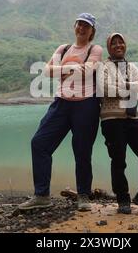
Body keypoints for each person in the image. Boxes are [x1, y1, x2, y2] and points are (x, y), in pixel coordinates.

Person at [19, 13, 103, 211]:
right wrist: (74, 67)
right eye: (79, 24)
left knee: (82, 152)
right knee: (39, 143)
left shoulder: (95, 49)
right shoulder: (63, 48)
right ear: (74, 26)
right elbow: (47, 71)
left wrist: (64, 68)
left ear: (92, 31)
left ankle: (83, 196)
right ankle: (42, 196)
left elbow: (88, 70)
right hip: (61, 104)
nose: (82, 28)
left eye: (86, 26)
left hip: (86, 105)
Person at [97, 32, 138, 215]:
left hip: (134, 119)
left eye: (121, 42)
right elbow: (104, 89)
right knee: (118, 161)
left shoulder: (131, 67)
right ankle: (122, 200)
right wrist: (130, 87)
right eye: (114, 43)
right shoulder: (103, 67)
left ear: (125, 45)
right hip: (112, 120)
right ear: (109, 48)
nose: (118, 45)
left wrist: (122, 85)